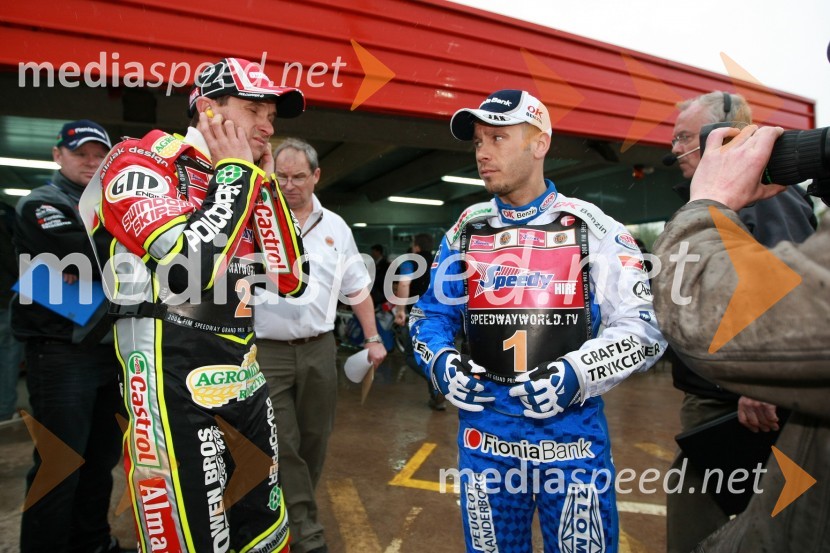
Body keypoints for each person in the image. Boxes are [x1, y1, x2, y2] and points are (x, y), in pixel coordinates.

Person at [409, 89, 666, 552]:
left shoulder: (592, 227)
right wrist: (442, 364)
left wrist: (576, 373)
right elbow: (429, 315)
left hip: (572, 445)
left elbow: (645, 329)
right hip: (484, 439)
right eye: (478, 142)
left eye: (498, 138)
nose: (483, 153)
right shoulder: (466, 228)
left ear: (539, 143)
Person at [81, 58, 308, 553]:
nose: (269, 126)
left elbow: (291, 278)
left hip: (246, 385)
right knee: (192, 543)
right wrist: (236, 177)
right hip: (171, 393)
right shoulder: (138, 161)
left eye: (272, 114)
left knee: (265, 537)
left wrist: (262, 188)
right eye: (254, 110)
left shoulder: (242, 180)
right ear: (207, 109)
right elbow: (187, 268)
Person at [652, 122, 829, 553]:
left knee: (702, 504)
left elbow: (778, 317)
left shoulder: (767, 200)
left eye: (688, 135)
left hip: (738, 392)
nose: (675, 148)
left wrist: (707, 203)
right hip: (721, 390)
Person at [254, 137, 387, 553]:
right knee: (284, 443)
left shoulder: (336, 228)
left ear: (316, 176)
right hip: (267, 351)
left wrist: (373, 338)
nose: (289, 185)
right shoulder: (256, 220)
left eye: (298, 177)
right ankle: (307, 534)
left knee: (315, 439)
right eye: (281, 177)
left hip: (320, 348)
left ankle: (290, 511)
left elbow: (357, 289)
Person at [11, 120, 124, 552]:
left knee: (99, 462)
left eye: (100, 156)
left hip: (106, 350)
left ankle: (93, 544)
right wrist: (131, 246)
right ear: (58, 155)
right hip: (59, 354)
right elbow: (77, 254)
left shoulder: (106, 206)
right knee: (58, 464)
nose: (91, 162)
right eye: (81, 154)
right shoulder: (41, 204)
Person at [393, 233, 445, 410]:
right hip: (442, 316)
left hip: (419, 316)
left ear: (416, 246)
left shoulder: (411, 260)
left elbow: (404, 284)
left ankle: (437, 380)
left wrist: (400, 310)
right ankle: (436, 393)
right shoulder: (440, 260)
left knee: (410, 356)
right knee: (436, 351)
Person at [0, 202, 24, 423]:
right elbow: (12, 258)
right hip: (6, 298)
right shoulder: (6, 215)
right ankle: (5, 411)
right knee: (8, 356)